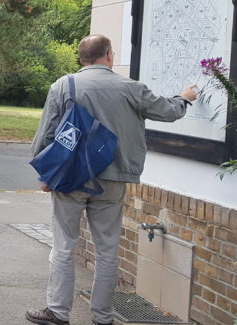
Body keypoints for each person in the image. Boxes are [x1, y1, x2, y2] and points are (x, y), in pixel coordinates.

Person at [25, 35, 197, 325]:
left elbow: (46, 134)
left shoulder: (63, 85)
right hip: (114, 178)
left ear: (81, 59)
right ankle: (103, 317)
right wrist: (184, 98)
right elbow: (167, 111)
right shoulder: (130, 88)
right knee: (107, 248)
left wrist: (46, 174)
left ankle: (58, 311)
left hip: (70, 178)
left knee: (64, 245)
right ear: (109, 55)